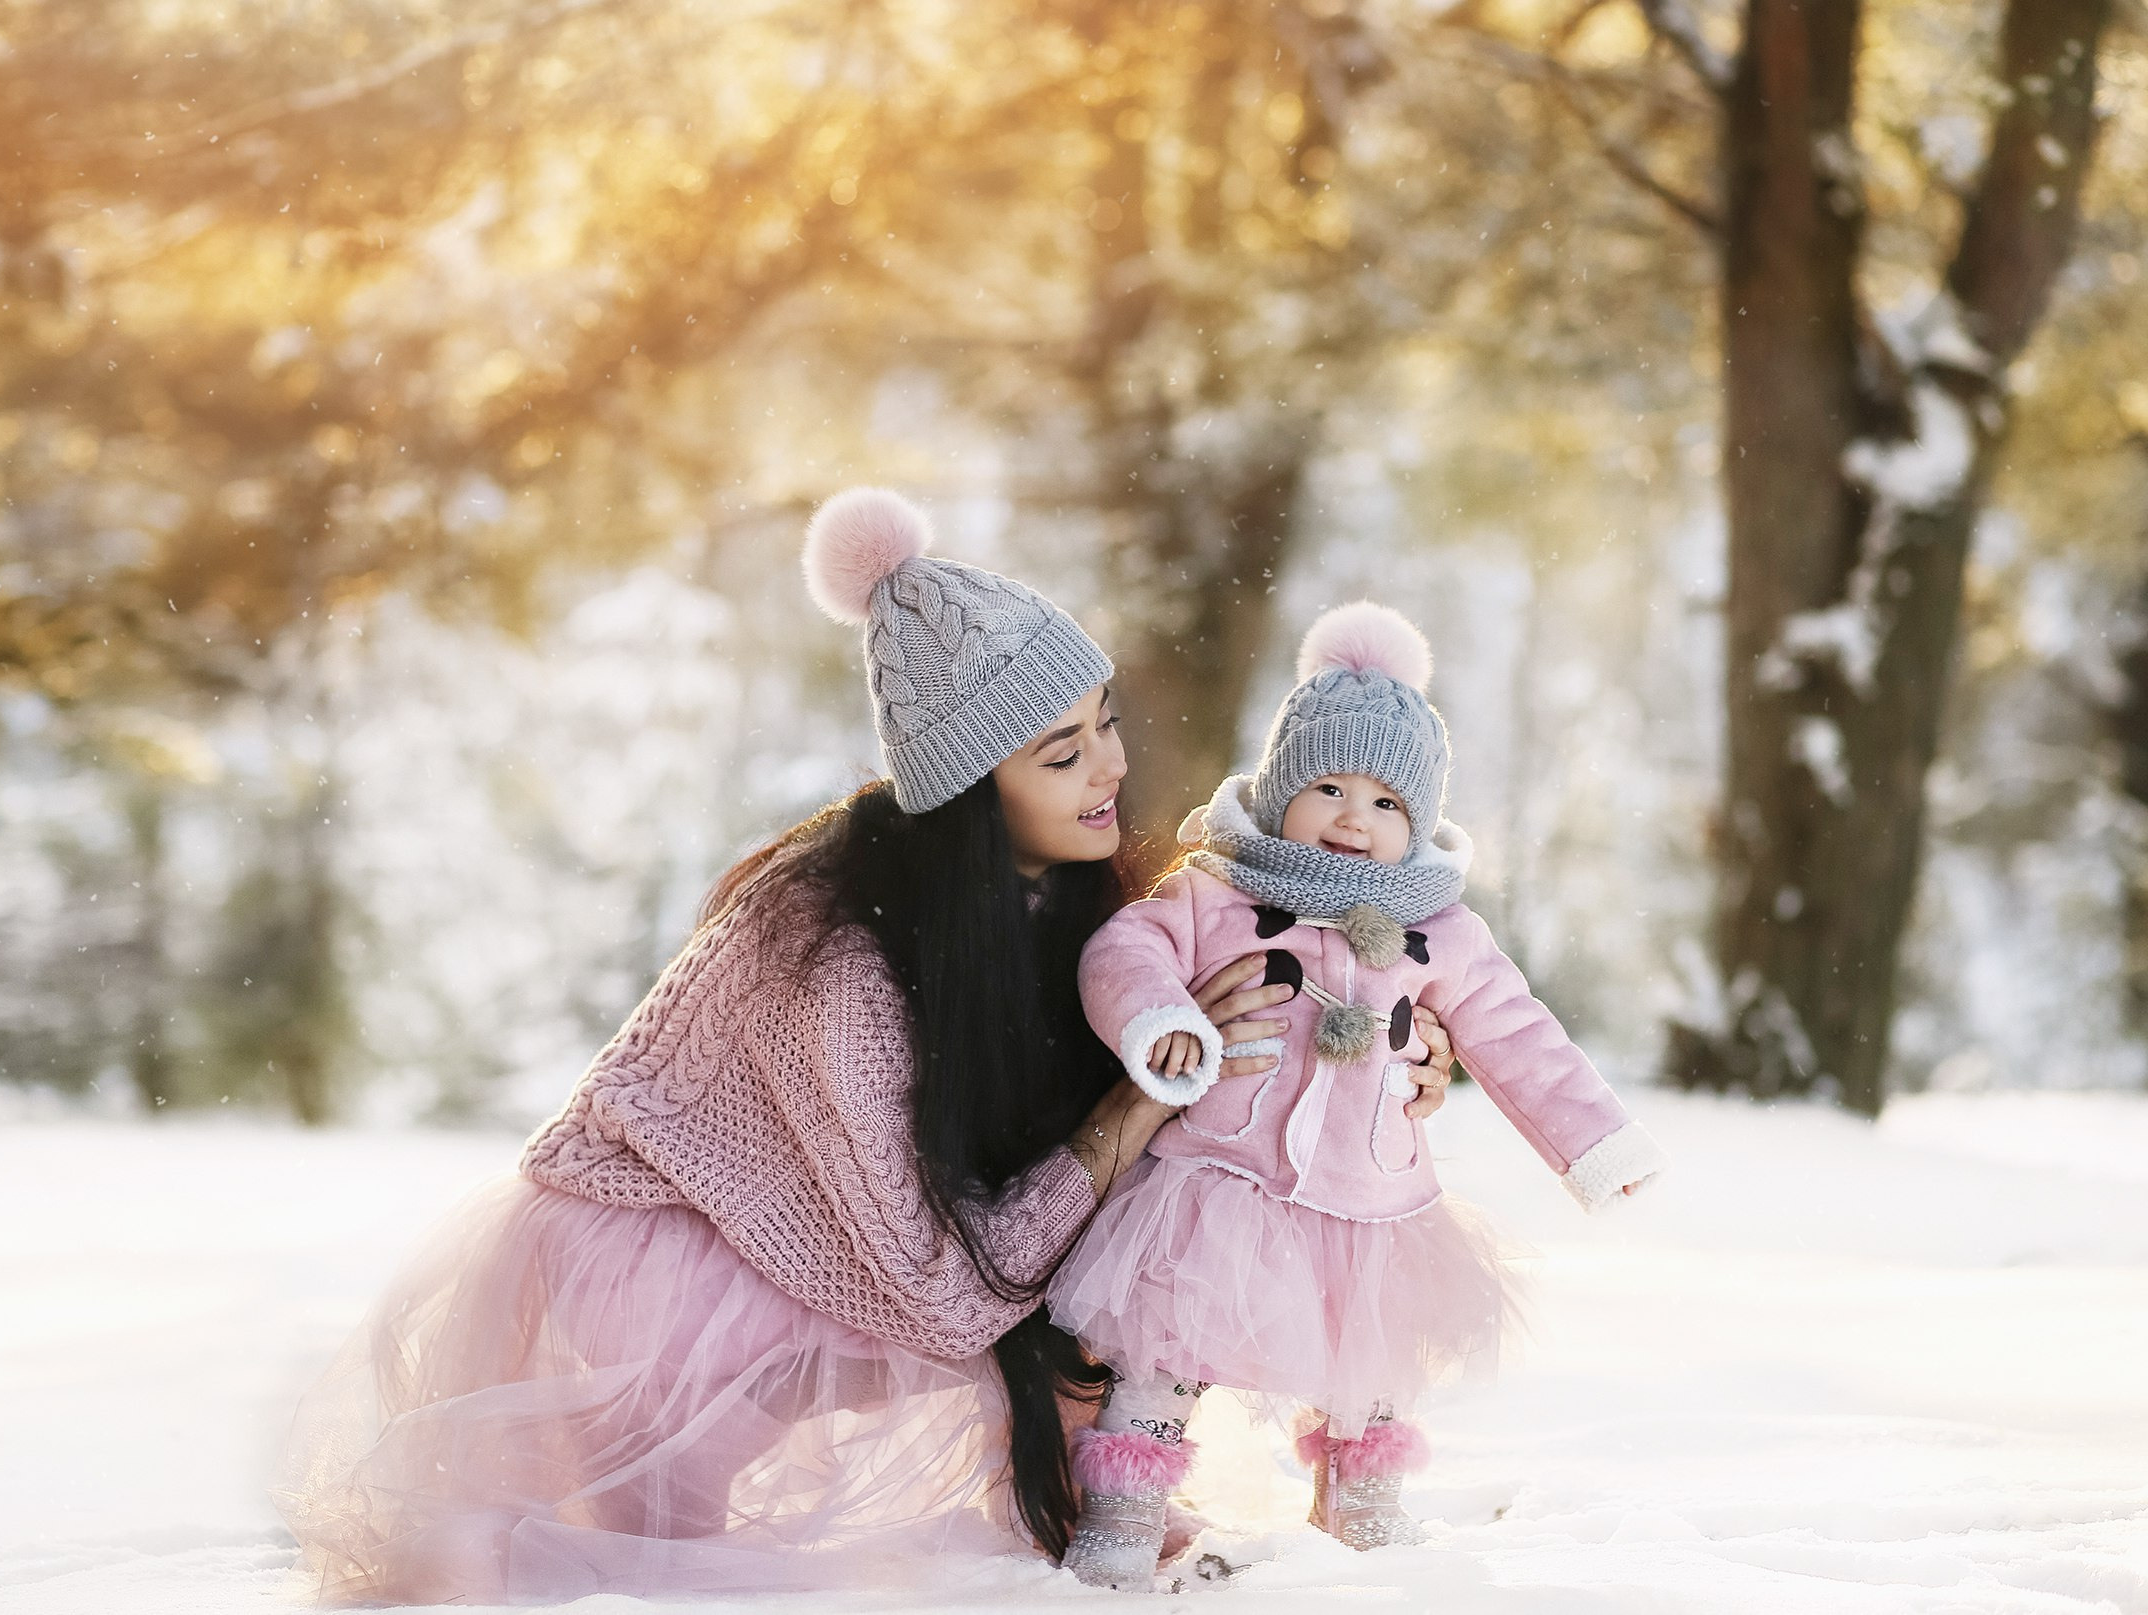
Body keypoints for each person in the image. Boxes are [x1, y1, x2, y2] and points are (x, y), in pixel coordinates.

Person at [272, 490, 1463, 1603]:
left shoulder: (1087, 893)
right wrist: (1132, 1110)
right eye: (1061, 754)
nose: (1111, 768)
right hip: (681, 1251)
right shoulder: (834, 960)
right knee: (655, 1545)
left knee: (1097, 1285)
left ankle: (1107, 1511)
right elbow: (940, 1295)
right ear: (968, 796)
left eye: (1105, 723)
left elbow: (1263, 1009)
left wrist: (1393, 1061)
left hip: (881, 1230)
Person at [1045, 601, 1669, 1590]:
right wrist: (1161, 1018)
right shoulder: (1215, 892)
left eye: (1386, 804)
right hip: (1219, 1187)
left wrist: (1592, 1143)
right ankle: (1125, 1505)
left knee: (1371, 1364)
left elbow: (1518, 1036)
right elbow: (1126, 949)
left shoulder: (1444, 930)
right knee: (1163, 1348)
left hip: (1373, 1200)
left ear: (1418, 824)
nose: (1352, 817)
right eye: (1328, 786)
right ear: (1282, 785)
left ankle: (1363, 1502)